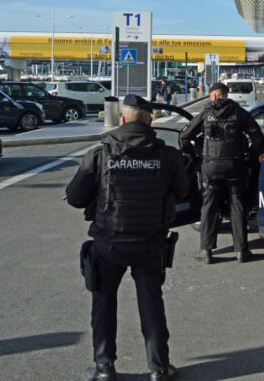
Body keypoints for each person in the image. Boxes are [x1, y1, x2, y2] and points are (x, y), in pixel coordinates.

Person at [66, 94, 189, 381]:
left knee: (103, 303)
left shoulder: (99, 153)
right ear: (150, 120)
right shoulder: (168, 154)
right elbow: (184, 193)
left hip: (108, 243)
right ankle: (159, 369)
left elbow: (74, 197)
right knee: (151, 304)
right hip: (150, 243)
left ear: (122, 119)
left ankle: (104, 368)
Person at [179, 82, 264, 264]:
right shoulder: (239, 113)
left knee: (209, 207)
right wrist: (250, 155)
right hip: (235, 166)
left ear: (215, 96)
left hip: (210, 167)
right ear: (226, 95)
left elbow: (184, 137)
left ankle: (206, 251)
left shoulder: (206, 113)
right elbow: (257, 137)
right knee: (238, 206)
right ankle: (242, 251)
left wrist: (195, 156)